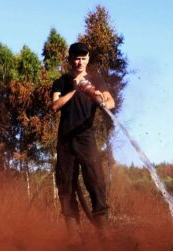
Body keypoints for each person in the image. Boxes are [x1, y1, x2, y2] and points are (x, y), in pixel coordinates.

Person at [51, 42, 115, 238]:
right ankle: (74, 240)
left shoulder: (97, 80)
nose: (80, 62)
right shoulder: (61, 81)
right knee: (66, 186)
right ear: (71, 60)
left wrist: (102, 102)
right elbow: (55, 105)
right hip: (65, 141)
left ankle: (103, 235)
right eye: (76, 58)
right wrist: (76, 90)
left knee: (96, 181)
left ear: (88, 59)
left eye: (84, 58)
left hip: (86, 139)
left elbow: (110, 101)